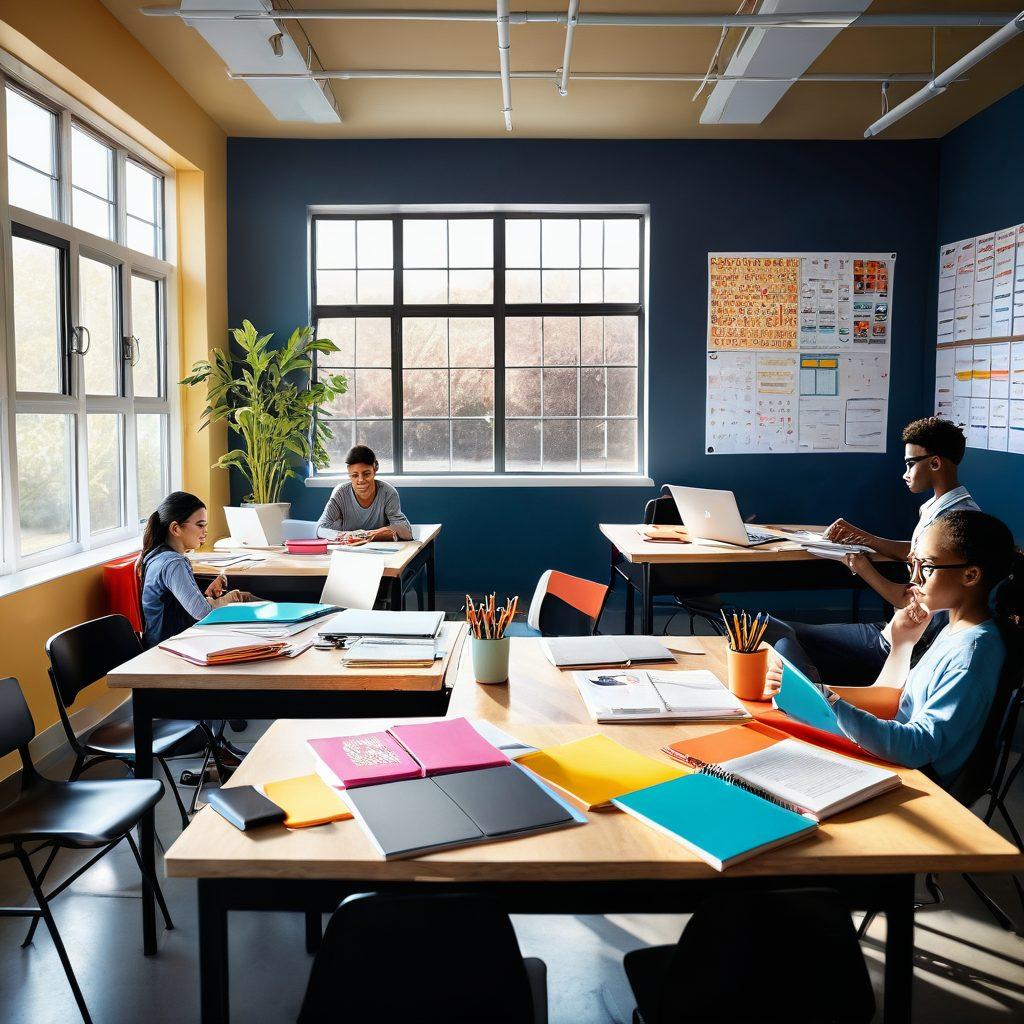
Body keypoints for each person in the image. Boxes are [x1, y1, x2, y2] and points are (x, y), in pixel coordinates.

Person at [768, 510, 1022, 782]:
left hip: (913, 777)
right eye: (913, 564)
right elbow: (898, 704)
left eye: (926, 567)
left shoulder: (971, 656)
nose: (914, 578)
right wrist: (902, 645)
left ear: (970, 575)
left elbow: (917, 746)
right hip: (891, 755)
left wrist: (829, 702)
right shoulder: (955, 629)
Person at [765, 417, 979, 684]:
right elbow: (915, 551)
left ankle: (818, 706)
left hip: (902, 643)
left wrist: (860, 566)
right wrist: (866, 538)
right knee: (776, 629)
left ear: (935, 463)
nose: (905, 473)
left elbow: (908, 600)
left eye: (911, 464)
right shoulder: (941, 509)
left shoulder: (955, 525)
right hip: (894, 629)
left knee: (778, 634)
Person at [138, 491, 255, 649]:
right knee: (241, 598)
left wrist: (212, 584)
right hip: (174, 647)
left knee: (242, 598)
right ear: (176, 529)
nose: (205, 531)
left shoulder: (156, 557)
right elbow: (203, 612)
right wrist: (229, 599)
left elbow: (173, 597)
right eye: (200, 525)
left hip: (170, 642)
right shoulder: (173, 563)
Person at [316, 444, 413, 542]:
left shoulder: (388, 493)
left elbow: (406, 531)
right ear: (348, 473)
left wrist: (366, 535)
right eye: (354, 475)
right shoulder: (341, 493)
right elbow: (320, 528)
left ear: (375, 469)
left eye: (366, 474)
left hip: (380, 550)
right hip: (347, 548)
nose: (361, 480)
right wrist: (347, 536)